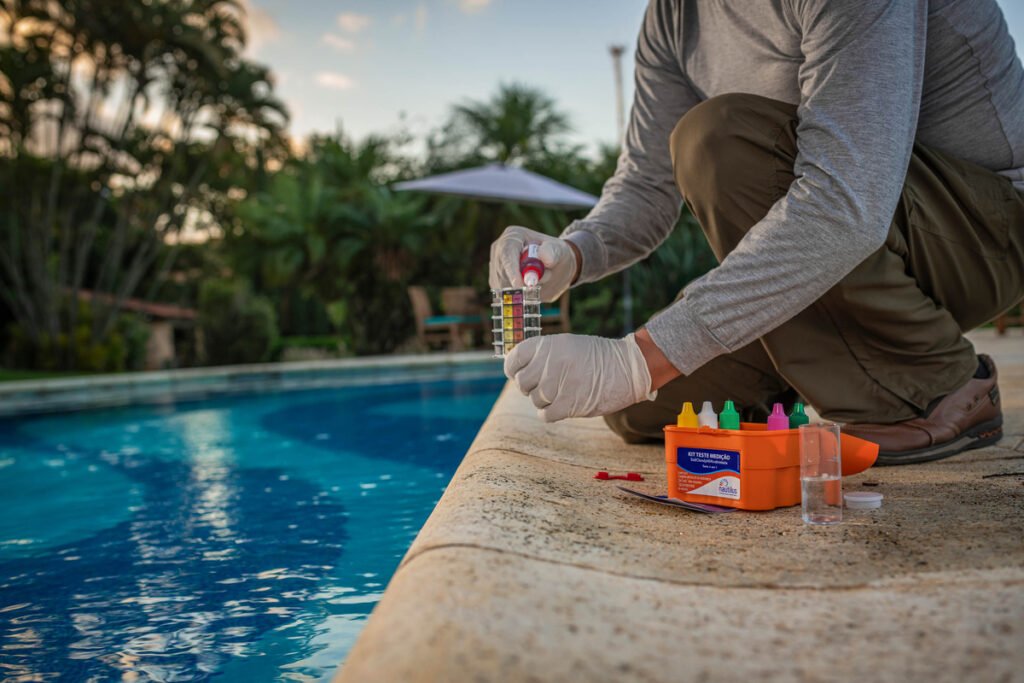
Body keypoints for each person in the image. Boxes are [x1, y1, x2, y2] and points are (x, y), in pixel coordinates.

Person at [490, 0, 1024, 465]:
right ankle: (828, 364)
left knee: (715, 140)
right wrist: (574, 252)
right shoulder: (672, 16)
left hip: (987, 233)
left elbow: (844, 202)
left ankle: (934, 387)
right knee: (641, 408)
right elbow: (646, 186)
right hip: (857, 242)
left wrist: (638, 358)